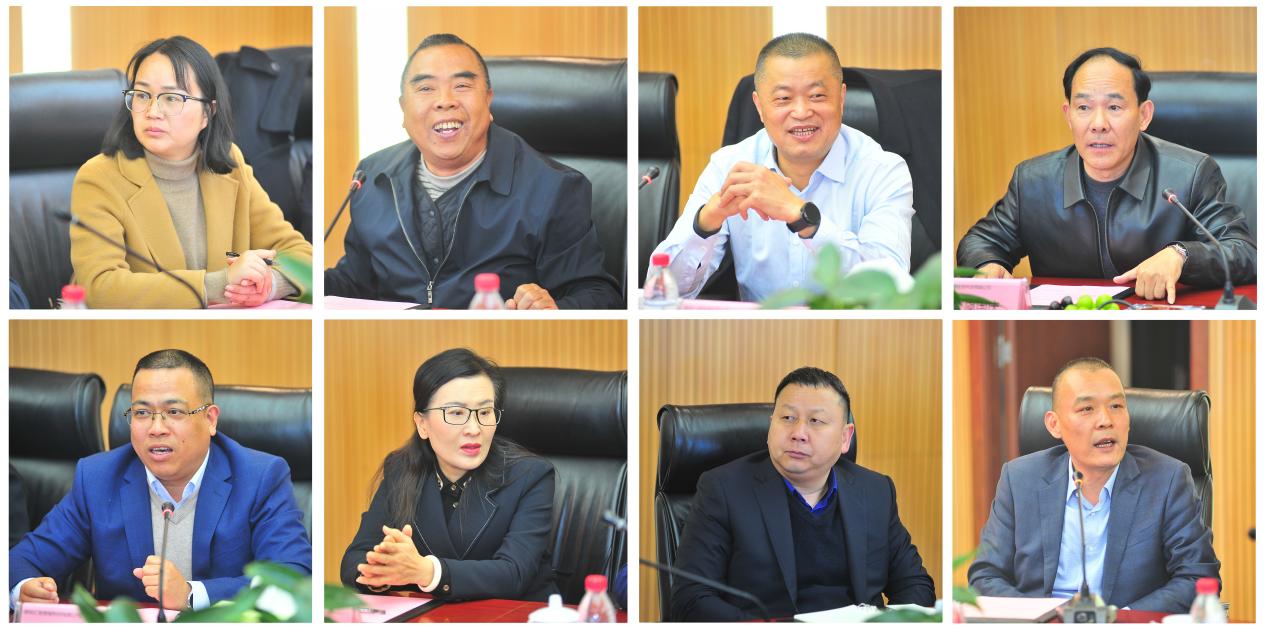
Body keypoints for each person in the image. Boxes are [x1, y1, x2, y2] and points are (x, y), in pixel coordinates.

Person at [324, 34, 621, 310]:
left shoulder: (552, 188)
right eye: (426, 88)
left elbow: (599, 296)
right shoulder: (372, 177)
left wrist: (552, 309)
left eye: (462, 86)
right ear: (403, 109)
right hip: (400, 337)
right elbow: (355, 282)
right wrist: (299, 282)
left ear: (488, 99)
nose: (445, 100)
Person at [10, 350, 312, 610]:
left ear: (210, 419)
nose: (156, 428)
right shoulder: (99, 478)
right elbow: (22, 561)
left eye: (174, 411)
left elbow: (293, 578)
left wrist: (192, 595)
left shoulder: (260, 476)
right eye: (142, 412)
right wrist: (22, 588)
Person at [956, 48, 1256, 303]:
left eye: (1114, 107)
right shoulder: (1033, 182)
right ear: (1068, 115)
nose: (1098, 123)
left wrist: (1182, 255)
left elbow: (1243, 252)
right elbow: (980, 241)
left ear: (1144, 115)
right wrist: (987, 265)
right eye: (1084, 107)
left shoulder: (1191, 174)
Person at [651, 33, 914, 303]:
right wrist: (705, 223)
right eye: (784, 98)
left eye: (817, 95)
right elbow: (661, 292)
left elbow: (892, 290)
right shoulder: (729, 166)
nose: (801, 112)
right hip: (760, 327)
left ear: (841, 98)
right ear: (759, 106)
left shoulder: (883, 171)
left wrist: (802, 217)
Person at [671, 367, 933, 621]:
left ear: (845, 437)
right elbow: (691, 599)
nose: (798, 434)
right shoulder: (723, 489)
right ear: (771, 425)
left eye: (815, 421)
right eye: (787, 418)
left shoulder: (875, 491)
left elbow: (915, 584)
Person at [69, 36, 313, 309]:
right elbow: (100, 288)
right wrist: (220, 284)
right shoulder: (100, 178)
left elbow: (302, 259)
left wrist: (267, 284)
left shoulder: (228, 166)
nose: (153, 111)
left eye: (172, 98)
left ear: (208, 112)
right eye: (142, 95)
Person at [968, 358, 1219, 613]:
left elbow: (1197, 577)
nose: (1106, 420)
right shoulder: (1019, 479)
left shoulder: (1167, 480)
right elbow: (985, 577)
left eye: (1116, 406)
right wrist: (1045, 618)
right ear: (1054, 424)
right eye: (1087, 409)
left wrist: (1118, 620)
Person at [340, 348, 557, 600]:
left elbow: (514, 574)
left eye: (485, 412)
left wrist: (428, 572)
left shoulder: (530, 476)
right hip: (433, 615)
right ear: (422, 424)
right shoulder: (401, 470)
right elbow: (355, 559)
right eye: (456, 413)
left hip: (517, 613)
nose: (474, 429)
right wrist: (381, 572)